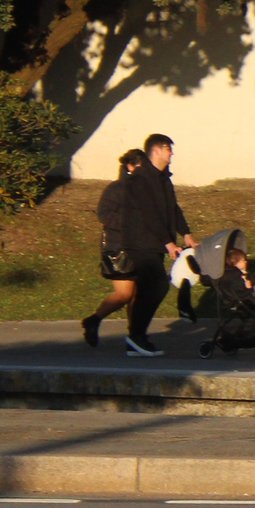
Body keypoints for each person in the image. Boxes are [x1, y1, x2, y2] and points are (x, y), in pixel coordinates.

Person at [117, 133, 196, 356]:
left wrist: (186, 233)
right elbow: (148, 215)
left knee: (148, 289)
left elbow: (173, 208)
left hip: (154, 244)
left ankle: (136, 338)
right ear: (157, 150)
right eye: (169, 148)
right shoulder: (140, 178)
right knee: (157, 286)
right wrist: (169, 243)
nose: (172, 153)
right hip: (140, 243)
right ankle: (136, 336)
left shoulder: (163, 179)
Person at [81, 149, 150, 348]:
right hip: (118, 247)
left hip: (141, 247)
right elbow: (104, 214)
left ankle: (135, 336)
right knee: (125, 294)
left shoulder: (146, 190)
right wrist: (130, 223)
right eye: (140, 166)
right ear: (130, 166)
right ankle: (94, 320)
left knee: (137, 295)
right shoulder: (117, 189)